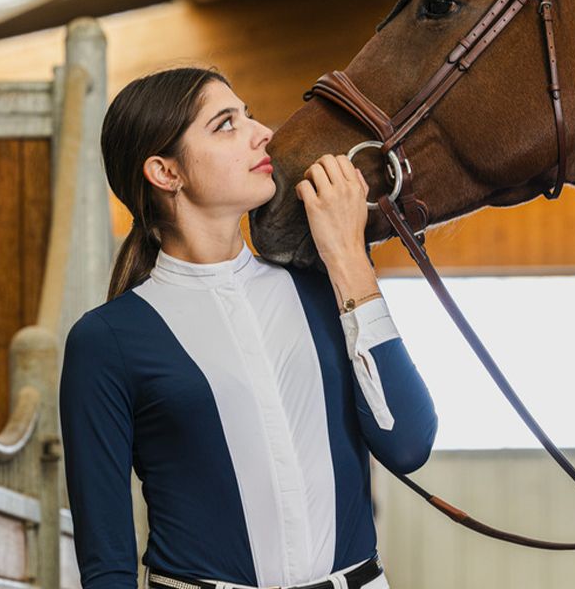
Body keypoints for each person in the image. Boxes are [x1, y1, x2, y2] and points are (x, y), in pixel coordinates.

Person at [59, 67, 437, 589]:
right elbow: (107, 561)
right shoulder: (107, 341)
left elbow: (408, 444)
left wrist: (349, 256)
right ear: (166, 173)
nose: (264, 133)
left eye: (249, 114)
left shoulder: (324, 289)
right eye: (226, 124)